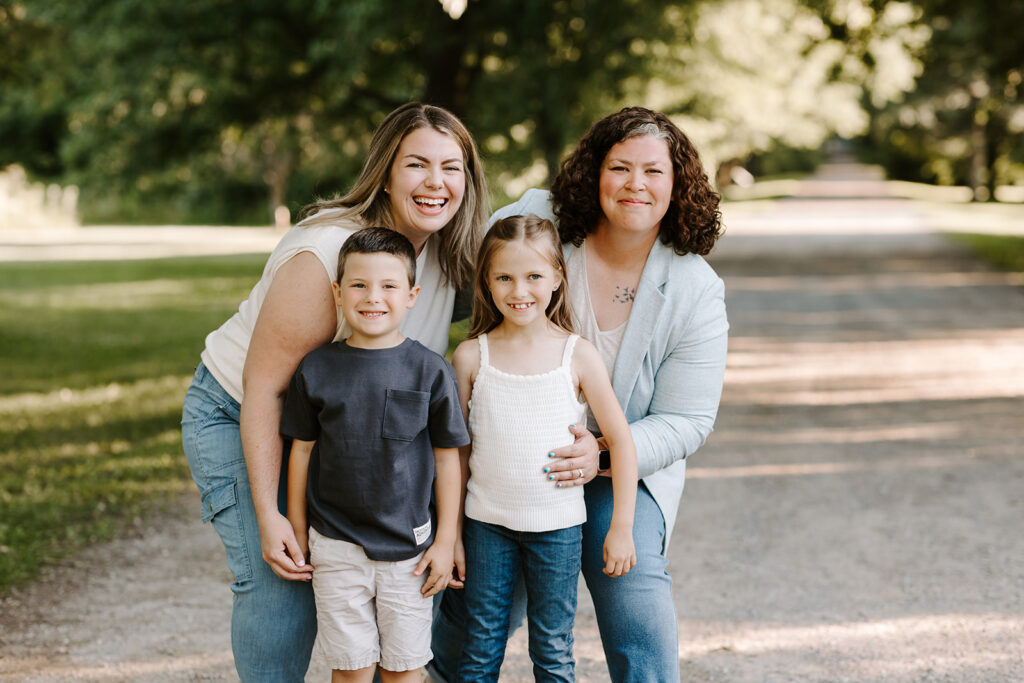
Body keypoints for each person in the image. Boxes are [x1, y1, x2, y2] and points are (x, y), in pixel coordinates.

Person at [180, 102, 488, 682]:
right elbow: (265, 388)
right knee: (285, 586)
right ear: (385, 172)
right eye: (416, 164)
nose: (435, 183)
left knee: (414, 578)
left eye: (452, 168)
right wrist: (272, 515)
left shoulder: (447, 252)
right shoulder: (327, 255)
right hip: (241, 409)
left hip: (344, 426)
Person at [430, 106, 728, 682]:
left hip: (622, 469)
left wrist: (603, 453)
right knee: (475, 617)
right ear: (595, 172)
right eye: (619, 167)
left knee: (634, 598)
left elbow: (688, 419)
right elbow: (471, 285)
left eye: (653, 172)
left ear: (678, 185)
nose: (635, 185)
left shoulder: (693, 289)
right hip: (509, 467)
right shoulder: (540, 219)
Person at [451, 215, 638, 682]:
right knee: (479, 649)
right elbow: (454, 454)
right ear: (487, 282)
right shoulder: (473, 356)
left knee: (553, 651)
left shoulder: (576, 355)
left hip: (557, 530)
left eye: (534, 276)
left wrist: (622, 528)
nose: (520, 290)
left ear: (557, 277)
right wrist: (451, 533)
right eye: (505, 277)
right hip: (485, 526)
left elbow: (620, 441)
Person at [282, 228, 469, 682]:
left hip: (411, 552)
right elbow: (301, 453)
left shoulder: (430, 370)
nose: (373, 297)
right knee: (350, 669)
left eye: (389, 286)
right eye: (359, 285)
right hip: (336, 546)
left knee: (403, 670)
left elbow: (448, 461)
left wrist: (446, 541)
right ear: (338, 292)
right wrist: (298, 530)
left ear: (412, 295)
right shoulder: (316, 368)